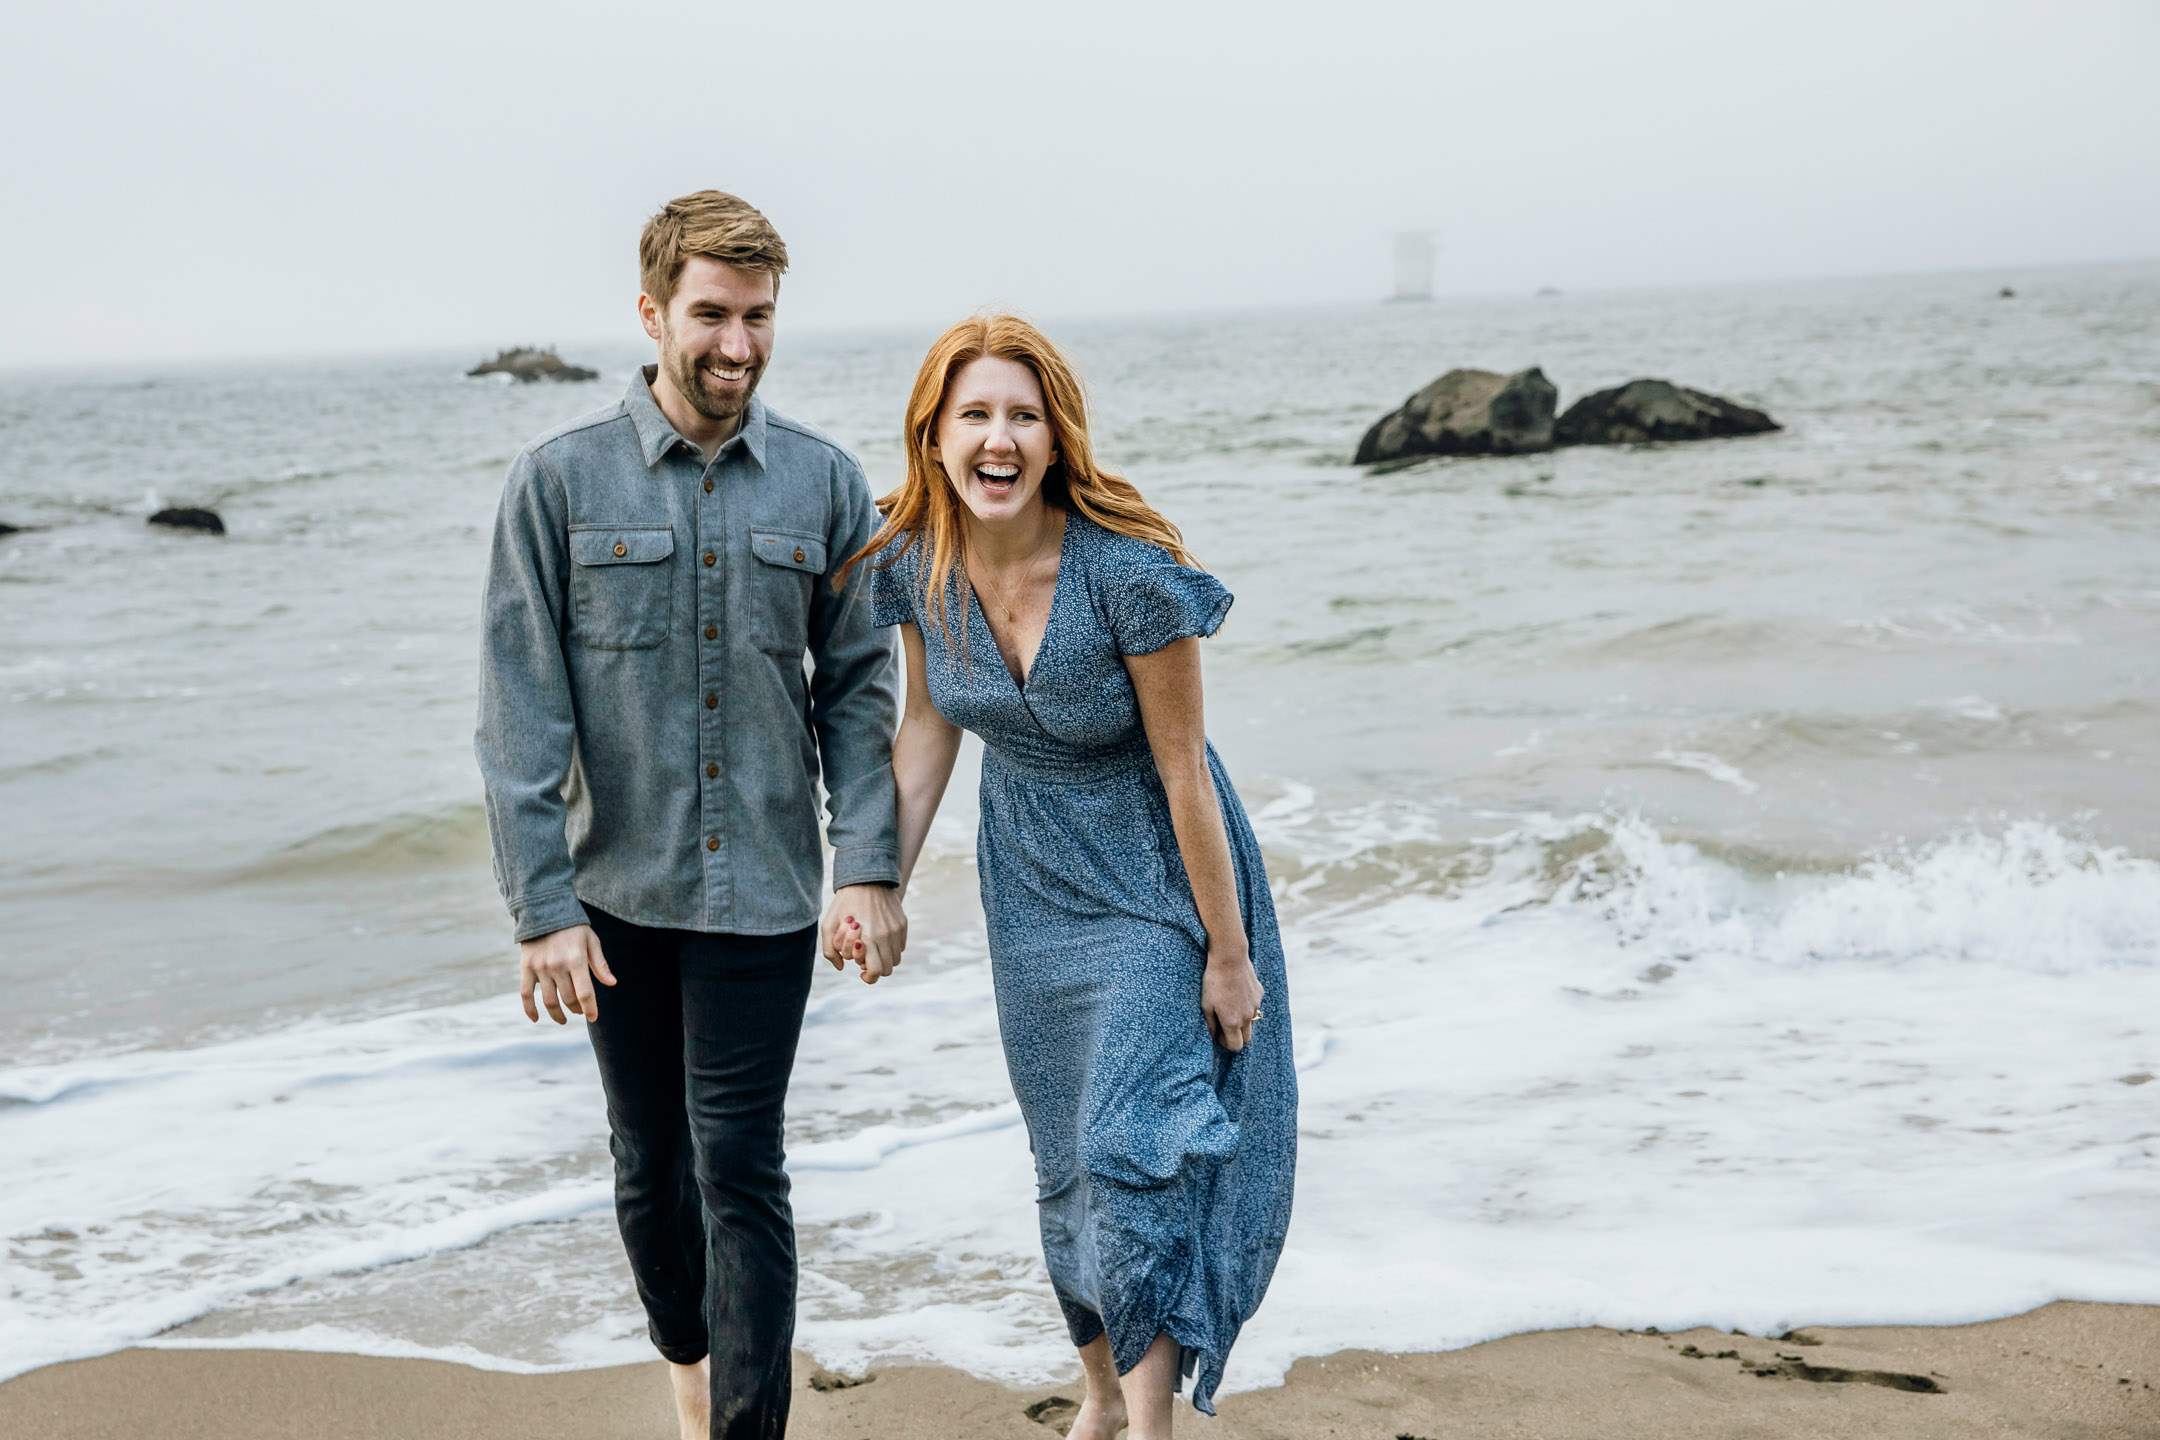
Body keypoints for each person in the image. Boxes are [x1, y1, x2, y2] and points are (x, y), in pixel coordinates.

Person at [474, 189, 907, 1440]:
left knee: (741, 1170)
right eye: (711, 315)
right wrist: (541, 908)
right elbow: (520, 712)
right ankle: (690, 1383)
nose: (737, 344)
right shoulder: (556, 483)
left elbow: (861, 688)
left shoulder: (826, 483)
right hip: (614, 901)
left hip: (767, 894)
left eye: (759, 316)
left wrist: (866, 867)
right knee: (651, 1172)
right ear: (653, 311)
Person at [830, 314, 1297, 1437]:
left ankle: (1151, 1426)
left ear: (1055, 439)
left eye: (1022, 416)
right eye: (975, 414)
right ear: (934, 437)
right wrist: (869, 879)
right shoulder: (917, 568)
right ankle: (1096, 1396)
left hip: (1154, 881)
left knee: (1124, 1145)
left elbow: (1186, 779)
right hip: (1031, 882)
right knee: (1064, 1162)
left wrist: (1227, 955)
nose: (999, 437)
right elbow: (930, 730)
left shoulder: (1130, 577)